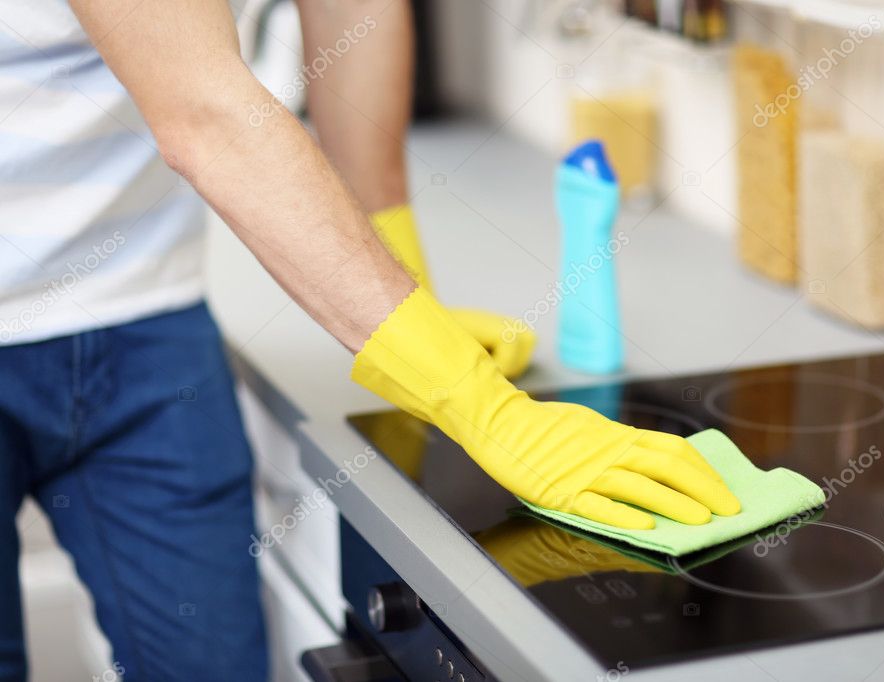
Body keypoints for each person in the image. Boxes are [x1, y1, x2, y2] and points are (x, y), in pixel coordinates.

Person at [0, 1, 741, 680]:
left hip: (144, 312)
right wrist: (484, 407)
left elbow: (352, 15)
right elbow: (205, 114)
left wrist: (410, 293)